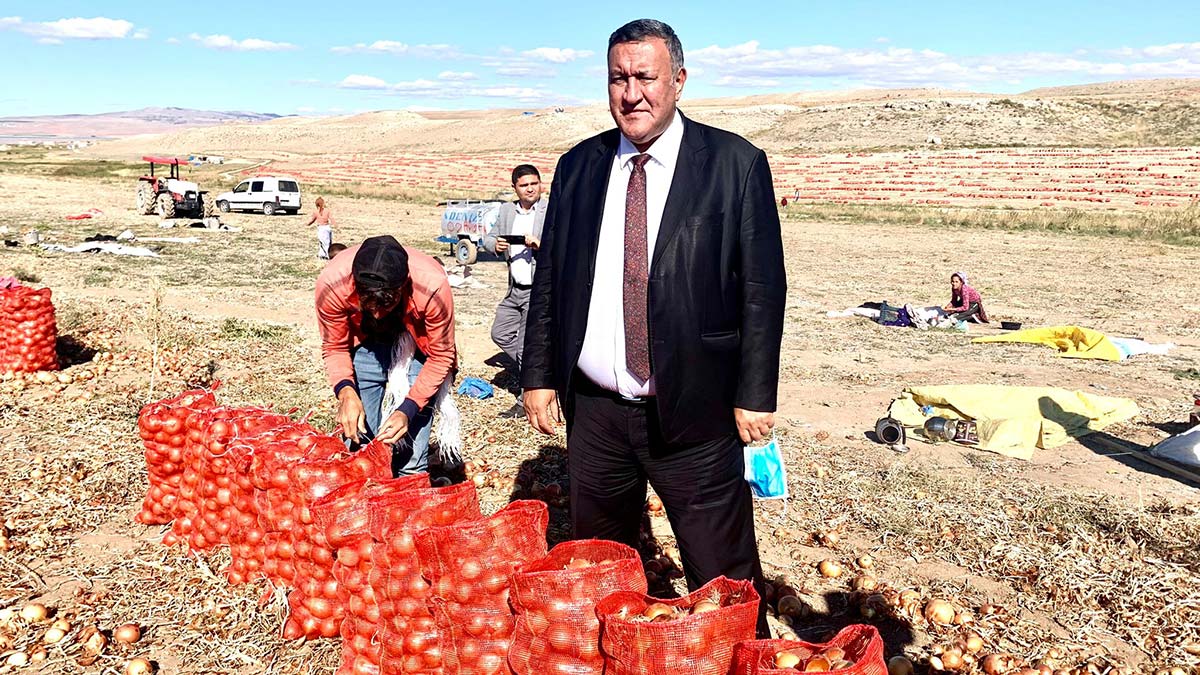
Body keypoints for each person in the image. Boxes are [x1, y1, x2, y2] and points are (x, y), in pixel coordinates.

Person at [520, 18, 784, 636]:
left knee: (722, 572)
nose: (630, 93)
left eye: (645, 76)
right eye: (618, 77)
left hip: (694, 406)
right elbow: (552, 278)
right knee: (602, 562)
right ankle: (620, 650)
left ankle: (739, 652)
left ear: (679, 81)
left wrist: (754, 392)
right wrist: (538, 375)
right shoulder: (579, 167)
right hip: (596, 413)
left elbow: (762, 290)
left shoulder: (733, 164)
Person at [315, 235, 457, 475]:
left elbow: (441, 356)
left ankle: (406, 492)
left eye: (387, 305)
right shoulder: (332, 285)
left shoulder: (432, 286)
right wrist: (346, 392)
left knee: (411, 451)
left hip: (416, 343)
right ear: (355, 287)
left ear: (402, 287)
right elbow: (335, 347)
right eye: (369, 306)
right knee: (358, 441)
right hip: (366, 342)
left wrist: (408, 409)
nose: (379, 315)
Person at [482, 165, 548, 419]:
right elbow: (488, 238)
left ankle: (524, 400)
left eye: (534, 183)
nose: (530, 188)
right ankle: (540, 367)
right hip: (514, 289)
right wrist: (495, 245)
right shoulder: (507, 210)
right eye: (524, 185)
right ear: (515, 188)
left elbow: (564, 243)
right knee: (500, 332)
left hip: (538, 290)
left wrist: (540, 245)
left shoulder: (550, 210)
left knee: (525, 347)